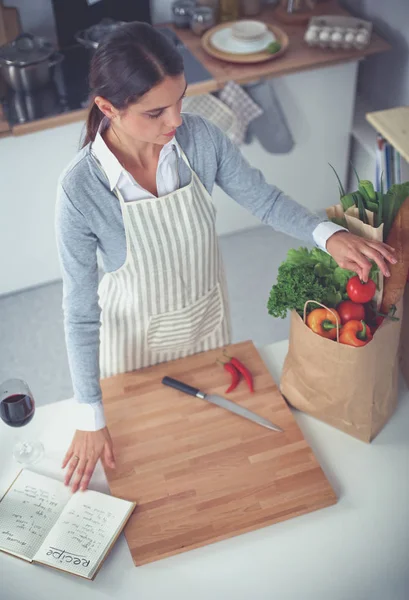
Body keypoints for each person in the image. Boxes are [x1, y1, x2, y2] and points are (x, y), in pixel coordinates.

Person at [56, 22, 396, 493]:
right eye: (156, 112)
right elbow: (79, 312)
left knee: (214, 456)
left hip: (206, 325)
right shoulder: (79, 189)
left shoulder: (200, 140)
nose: (176, 120)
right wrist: (90, 413)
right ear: (108, 108)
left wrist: (329, 234)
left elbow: (265, 200)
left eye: (180, 100)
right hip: (133, 345)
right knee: (157, 469)